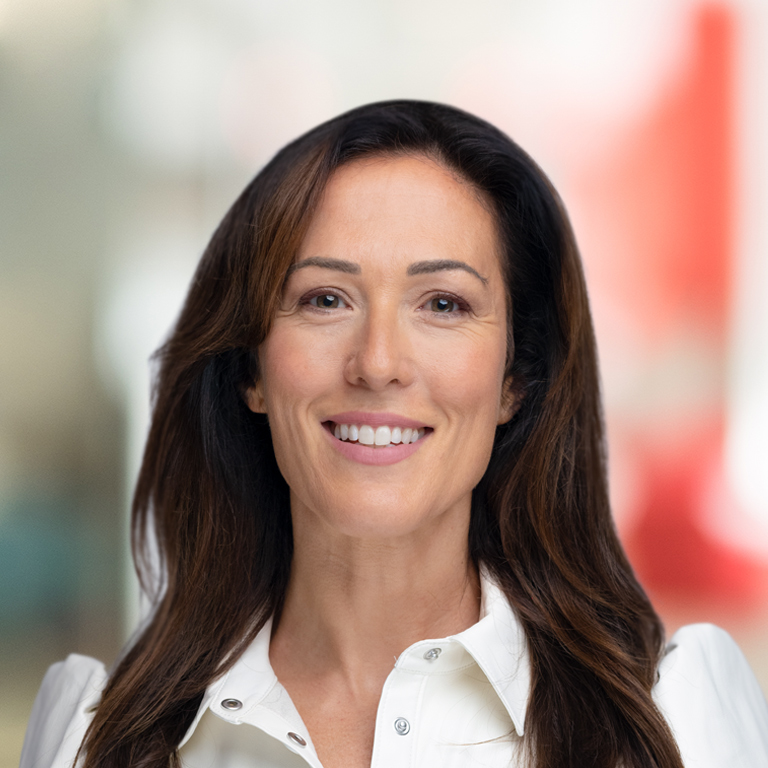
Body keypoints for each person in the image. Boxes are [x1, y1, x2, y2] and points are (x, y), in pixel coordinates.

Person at [20, 100, 768, 768]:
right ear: (250, 367)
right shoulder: (96, 741)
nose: (377, 363)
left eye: (442, 303)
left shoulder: (669, 729)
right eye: (325, 298)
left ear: (517, 378)